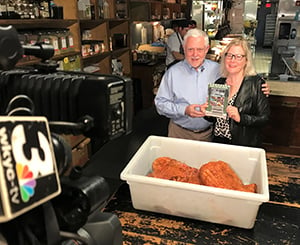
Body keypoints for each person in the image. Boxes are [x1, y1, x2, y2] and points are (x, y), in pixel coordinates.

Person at [155, 28, 270, 142]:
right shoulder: (172, 73)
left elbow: (241, 72)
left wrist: (261, 87)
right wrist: (184, 110)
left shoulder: (218, 70)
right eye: (190, 49)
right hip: (179, 133)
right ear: (184, 49)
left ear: (206, 49)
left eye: (199, 49)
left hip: (209, 135)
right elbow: (160, 104)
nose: (195, 54)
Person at [201, 37, 270, 147]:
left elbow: (264, 119)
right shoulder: (219, 83)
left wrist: (241, 118)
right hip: (218, 142)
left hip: (243, 144)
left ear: (246, 60)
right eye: (229, 55)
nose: (232, 60)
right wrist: (206, 113)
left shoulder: (256, 84)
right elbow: (216, 118)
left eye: (238, 57)